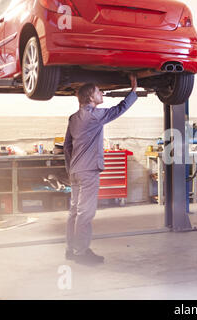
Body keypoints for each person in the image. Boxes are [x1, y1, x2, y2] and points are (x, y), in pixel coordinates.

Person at [64, 74, 138, 265]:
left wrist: (70, 168)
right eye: (99, 91)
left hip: (75, 171)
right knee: (85, 213)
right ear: (90, 97)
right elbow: (118, 109)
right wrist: (133, 92)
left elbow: (67, 147)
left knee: (74, 211)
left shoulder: (73, 118)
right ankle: (81, 252)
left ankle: (70, 249)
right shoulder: (94, 116)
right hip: (88, 171)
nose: (102, 93)